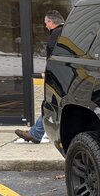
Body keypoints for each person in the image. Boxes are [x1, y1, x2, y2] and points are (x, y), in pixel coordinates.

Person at [15, 10, 64, 144]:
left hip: (58, 78)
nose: (46, 26)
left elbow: (55, 56)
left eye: (46, 23)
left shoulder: (56, 34)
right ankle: (35, 133)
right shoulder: (67, 32)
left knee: (50, 105)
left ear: (50, 22)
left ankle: (36, 134)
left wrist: (48, 72)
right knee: (51, 106)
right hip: (65, 76)